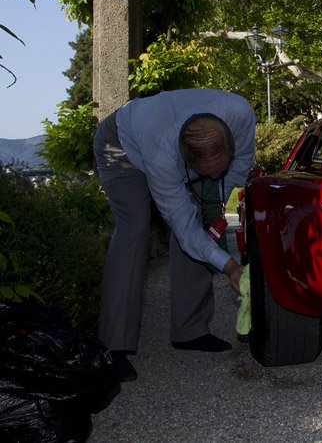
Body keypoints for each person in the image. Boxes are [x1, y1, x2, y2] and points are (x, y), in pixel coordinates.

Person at [92, 89, 256, 382]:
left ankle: (190, 330)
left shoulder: (240, 113)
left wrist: (214, 205)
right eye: (204, 173)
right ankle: (113, 347)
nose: (212, 176)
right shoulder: (163, 157)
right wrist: (230, 266)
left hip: (165, 137)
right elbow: (184, 229)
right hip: (120, 146)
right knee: (135, 226)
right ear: (186, 163)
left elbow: (240, 164)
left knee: (200, 218)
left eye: (218, 169)